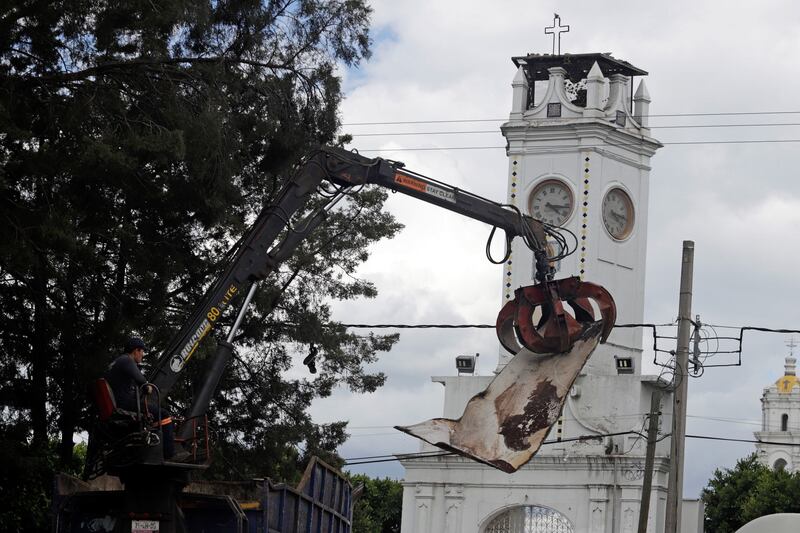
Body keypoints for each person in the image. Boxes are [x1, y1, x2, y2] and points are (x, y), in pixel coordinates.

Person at [104, 337, 184, 460]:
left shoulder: (116, 362)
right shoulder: (127, 360)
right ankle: (169, 454)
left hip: (118, 402)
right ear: (136, 350)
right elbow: (142, 382)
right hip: (125, 403)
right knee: (164, 414)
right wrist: (148, 388)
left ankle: (152, 443)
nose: (143, 355)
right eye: (142, 351)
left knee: (153, 413)